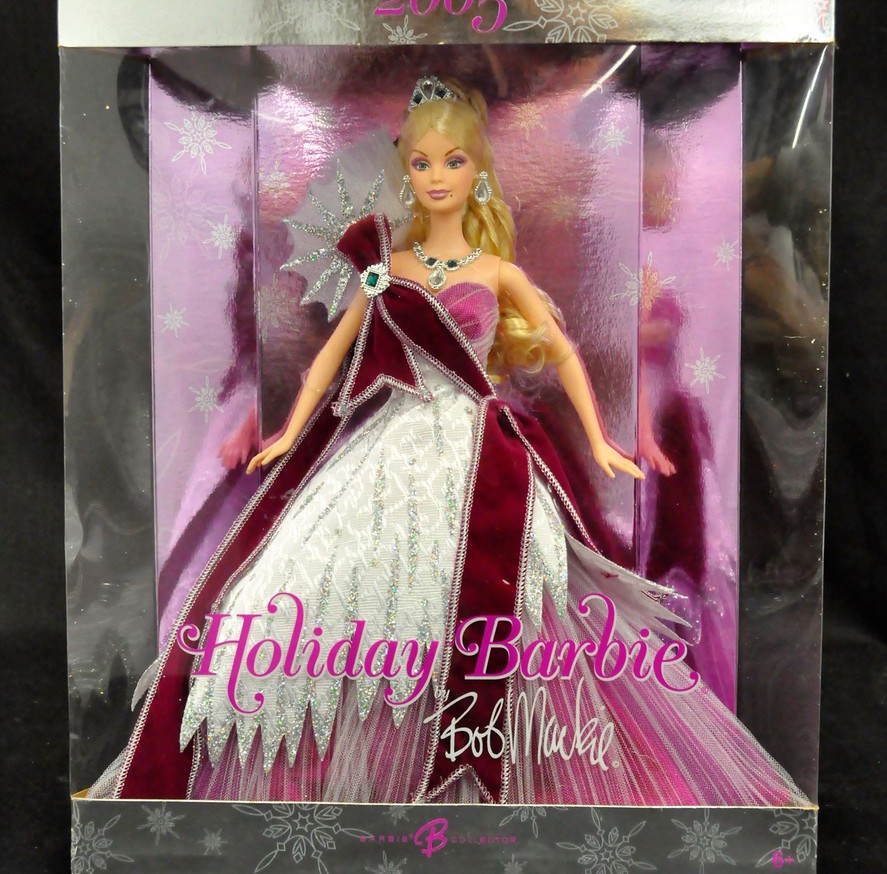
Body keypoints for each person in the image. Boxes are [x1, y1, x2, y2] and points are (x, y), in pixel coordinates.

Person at [94, 76, 808, 808]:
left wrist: (600, 439)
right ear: (405, 172)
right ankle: (361, 752)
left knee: (509, 591)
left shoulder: (496, 272)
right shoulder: (384, 272)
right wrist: (285, 436)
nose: (437, 177)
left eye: (453, 161)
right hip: (389, 445)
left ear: (478, 172)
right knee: (346, 587)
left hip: (478, 450)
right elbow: (331, 359)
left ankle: (485, 755)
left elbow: (563, 353)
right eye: (422, 163)